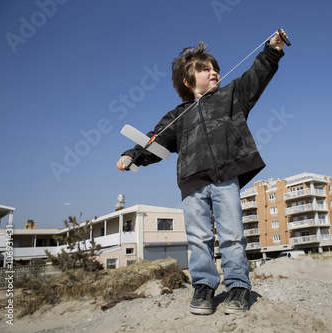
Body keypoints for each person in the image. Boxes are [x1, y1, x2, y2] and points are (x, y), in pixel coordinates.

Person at [116, 29, 288, 315]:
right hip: (192, 181)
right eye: (205, 69)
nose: (214, 72)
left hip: (225, 178)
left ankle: (237, 287)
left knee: (232, 235)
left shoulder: (232, 96)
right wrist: (132, 154)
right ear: (188, 80)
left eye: (216, 69)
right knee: (199, 237)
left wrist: (272, 50)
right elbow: (155, 139)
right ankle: (204, 286)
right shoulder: (178, 115)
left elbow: (256, 76)